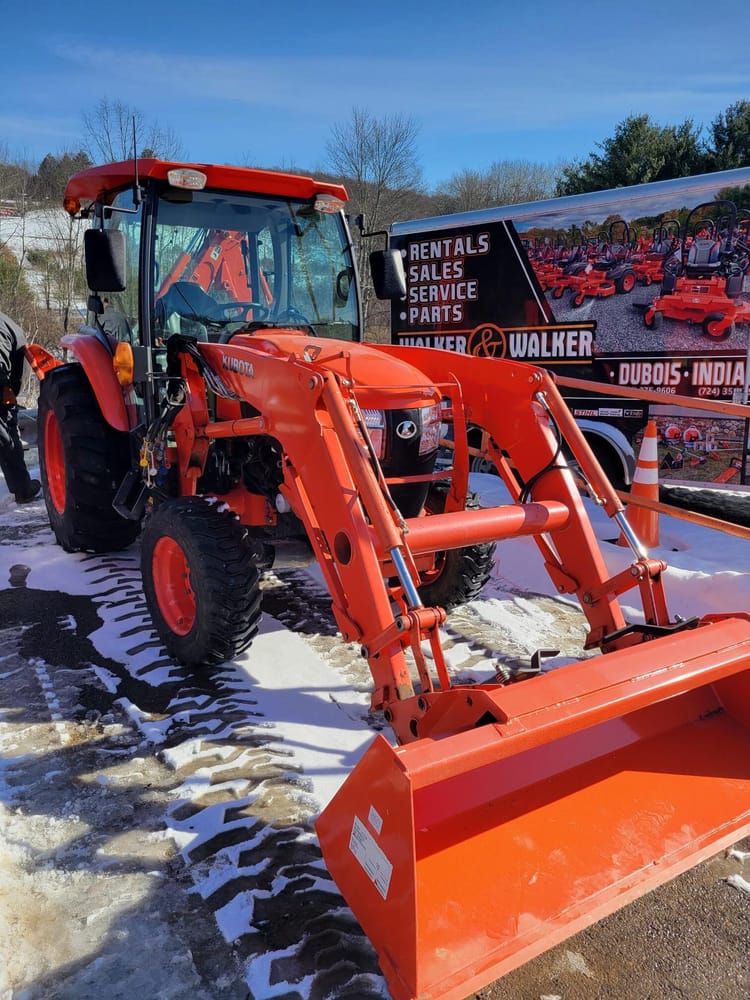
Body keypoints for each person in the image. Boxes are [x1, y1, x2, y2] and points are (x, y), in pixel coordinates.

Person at [0, 310, 41, 503]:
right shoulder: (7, 325)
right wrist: (8, 391)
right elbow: (12, 367)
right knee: (7, 438)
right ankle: (22, 489)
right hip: (2, 387)